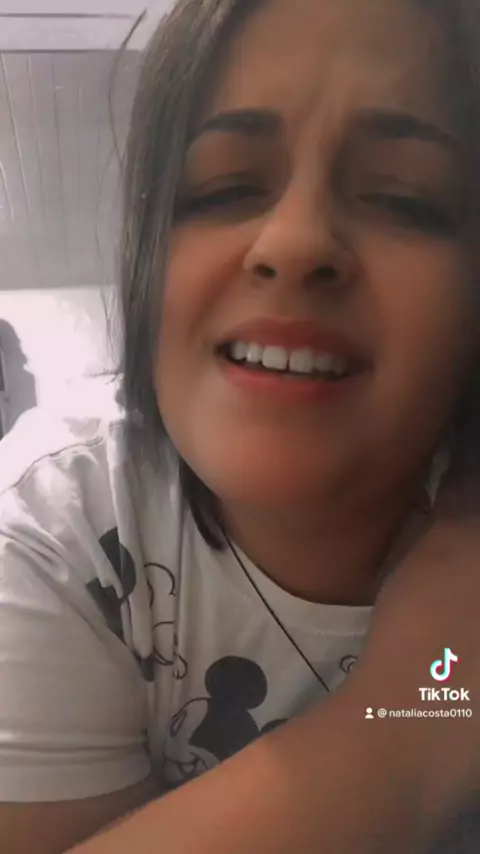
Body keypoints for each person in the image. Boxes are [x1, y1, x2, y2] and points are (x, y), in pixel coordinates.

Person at [1, 0, 480, 851]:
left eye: (402, 198)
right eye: (222, 188)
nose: (294, 242)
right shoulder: (52, 531)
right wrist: (412, 720)